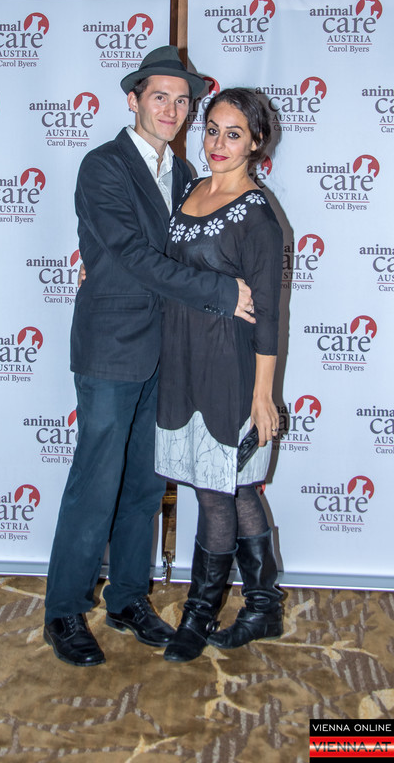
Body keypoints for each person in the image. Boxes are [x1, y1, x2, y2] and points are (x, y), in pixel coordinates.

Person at [44, 48, 256, 667]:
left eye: (182, 100)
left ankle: (129, 599)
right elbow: (134, 256)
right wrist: (222, 292)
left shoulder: (186, 172)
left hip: (168, 351)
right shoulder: (102, 166)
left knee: (144, 484)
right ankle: (63, 612)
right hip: (111, 348)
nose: (171, 109)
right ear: (133, 100)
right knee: (95, 484)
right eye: (159, 96)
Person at [155, 88, 284, 662]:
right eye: (212, 130)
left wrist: (263, 396)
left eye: (234, 134)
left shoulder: (258, 215)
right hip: (183, 361)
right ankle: (264, 606)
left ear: (256, 142)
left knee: (215, 493)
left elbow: (269, 315)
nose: (218, 144)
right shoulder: (190, 189)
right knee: (239, 488)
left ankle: (199, 613)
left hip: (229, 370)